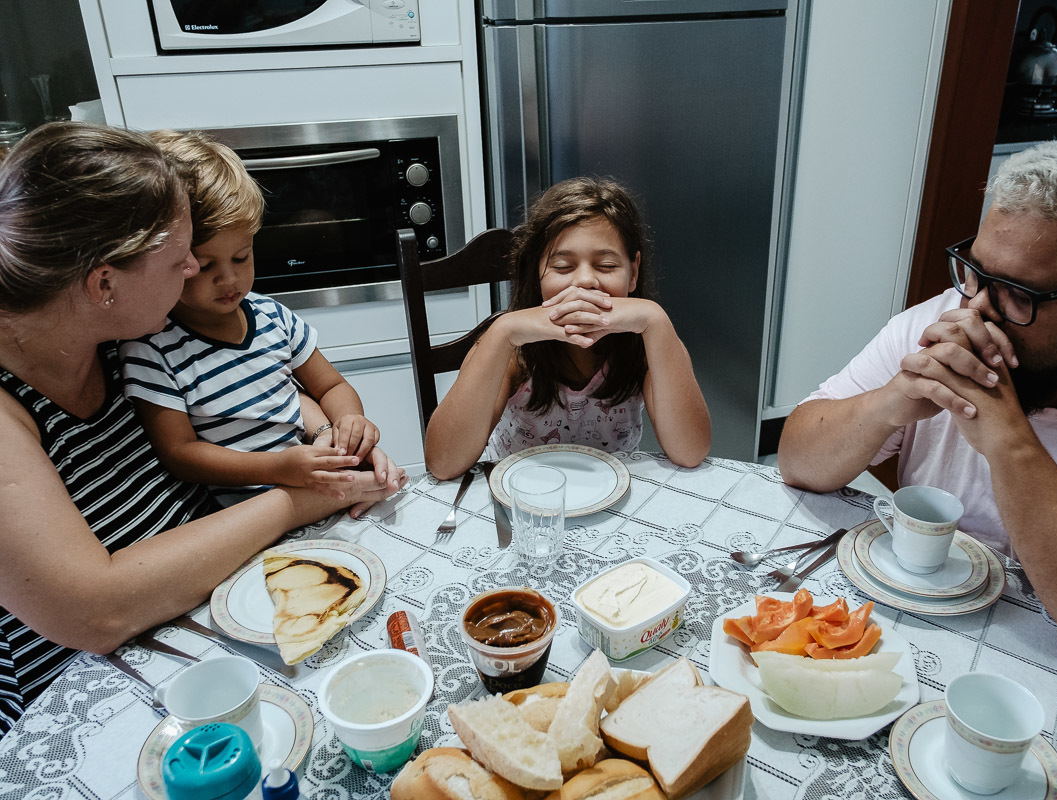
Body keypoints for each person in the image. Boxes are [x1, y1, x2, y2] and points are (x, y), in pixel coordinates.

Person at [0, 122, 401, 735]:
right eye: (180, 259)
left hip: (214, 606)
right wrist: (300, 495)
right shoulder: (27, 399)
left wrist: (326, 432)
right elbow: (96, 613)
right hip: (87, 691)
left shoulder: (117, 331)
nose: (194, 270)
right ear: (104, 282)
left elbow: (262, 388)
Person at [778, 137, 1057, 704]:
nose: (975, 310)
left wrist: (1011, 444)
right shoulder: (959, 313)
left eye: (1018, 294)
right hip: (940, 624)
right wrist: (891, 402)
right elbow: (798, 461)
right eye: (974, 272)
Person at [120, 130, 405, 507]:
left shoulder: (271, 316)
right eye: (205, 267)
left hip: (310, 493)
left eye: (242, 257)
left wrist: (347, 424)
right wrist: (275, 467)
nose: (229, 279)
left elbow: (331, 387)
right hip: (245, 519)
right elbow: (181, 454)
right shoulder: (152, 346)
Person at [423, 177, 710, 479]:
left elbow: (690, 452)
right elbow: (443, 463)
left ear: (633, 271)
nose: (584, 281)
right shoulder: (512, 351)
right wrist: (503, 331)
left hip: (612, 503)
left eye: (607, 266)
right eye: (562, 267)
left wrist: (656, 320)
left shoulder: (647, 346)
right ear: (537, 273)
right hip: (523, 504)